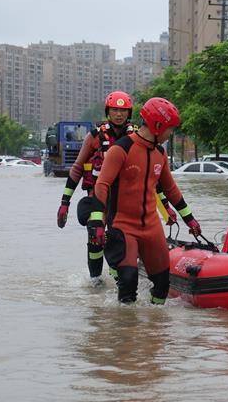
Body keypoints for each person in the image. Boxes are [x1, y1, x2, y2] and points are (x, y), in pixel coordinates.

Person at [56, 91, 177, 283]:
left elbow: (154, 178)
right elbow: (77, 169)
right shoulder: (95, 137)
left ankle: (119, 280)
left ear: (129, 113)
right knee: (95, 239)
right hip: (99, 198)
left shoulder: (140, 137)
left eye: (123, 111)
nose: (119, 114)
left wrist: (166, 208)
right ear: (108, 111)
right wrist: (65, 203)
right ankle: (95, 281)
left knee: (121, 244)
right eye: (114, 110)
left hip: (125, 202)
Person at [92, 97, 202, 304]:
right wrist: (97, 222)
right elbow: (102, 185)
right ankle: (125, 329)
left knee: (162, 285)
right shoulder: (121, 149)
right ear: (157, 125)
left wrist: (191, 220)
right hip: (123, 226)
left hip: (151, 227)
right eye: (169, 129)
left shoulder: (160, 154)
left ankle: (154, 331)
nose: (170, 134)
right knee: (128, 281)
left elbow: (170, 189)